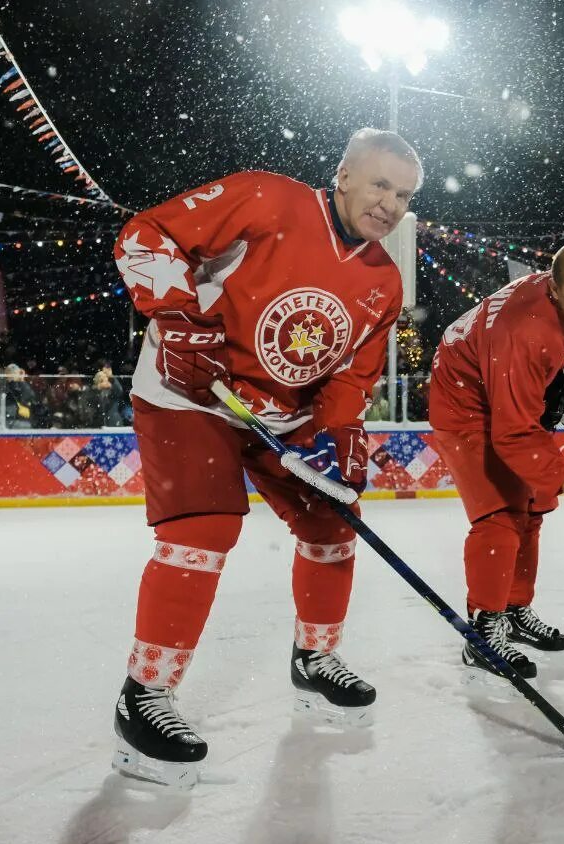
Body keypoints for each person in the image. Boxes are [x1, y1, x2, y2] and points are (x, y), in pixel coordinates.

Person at [107, 127, 422, 787]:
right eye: (381, 184)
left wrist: (335, 437)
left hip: (279, 417)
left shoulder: (384, 284)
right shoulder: (267, 198)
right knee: (205, 529)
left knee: (335, 522)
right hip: (188, 392)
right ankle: (144, 696)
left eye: (405, 194)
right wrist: (174, 315)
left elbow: (350, 379)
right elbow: (145, 233)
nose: (391, 203)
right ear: (342, 176)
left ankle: (316, 658)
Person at [428, 242, 564, 680]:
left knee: (531, 510)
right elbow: (511, 432)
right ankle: (485, 628)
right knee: (500, 516)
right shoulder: (525, 333)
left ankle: (513, 608)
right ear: (553, 287)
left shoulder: (550, 305)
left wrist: (551, 386)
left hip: (496, 386)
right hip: (464, 409)